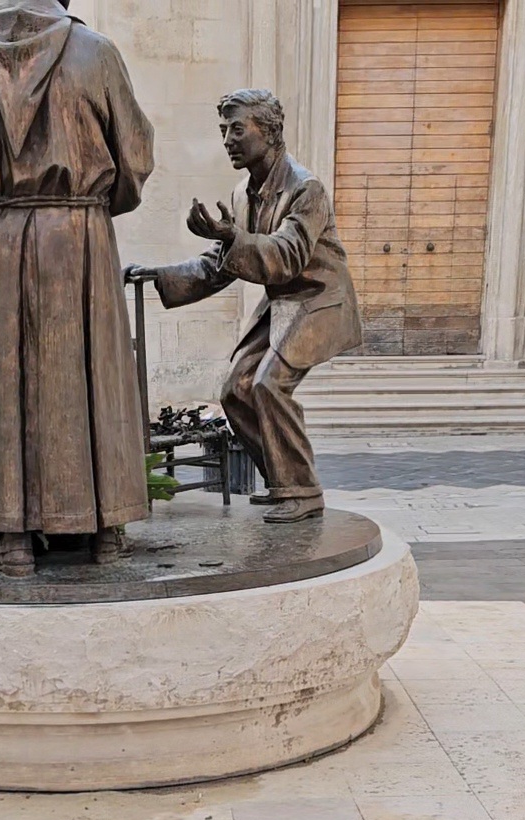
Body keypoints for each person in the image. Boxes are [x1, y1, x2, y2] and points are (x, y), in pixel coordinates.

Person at [0, 0, 155, 577]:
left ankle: (13, 538)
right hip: (79, 233)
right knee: (94, 372)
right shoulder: (96, 51)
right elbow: (135, 152)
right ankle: (106, 530)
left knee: (4, 380)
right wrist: (94, 202)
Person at [128, 89, 362, 524]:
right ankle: (283, 482)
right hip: (283, 303)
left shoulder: (305, 188)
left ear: (269, 131)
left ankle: (303, 491)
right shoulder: (242, 194)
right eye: (223, 131)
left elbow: (288, 256)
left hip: (320, 300)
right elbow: (219, 266)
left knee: (268, 385)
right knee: (235, 391)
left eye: (237, 129)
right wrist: (158, 274)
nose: (227, 141)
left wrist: (232, 238)